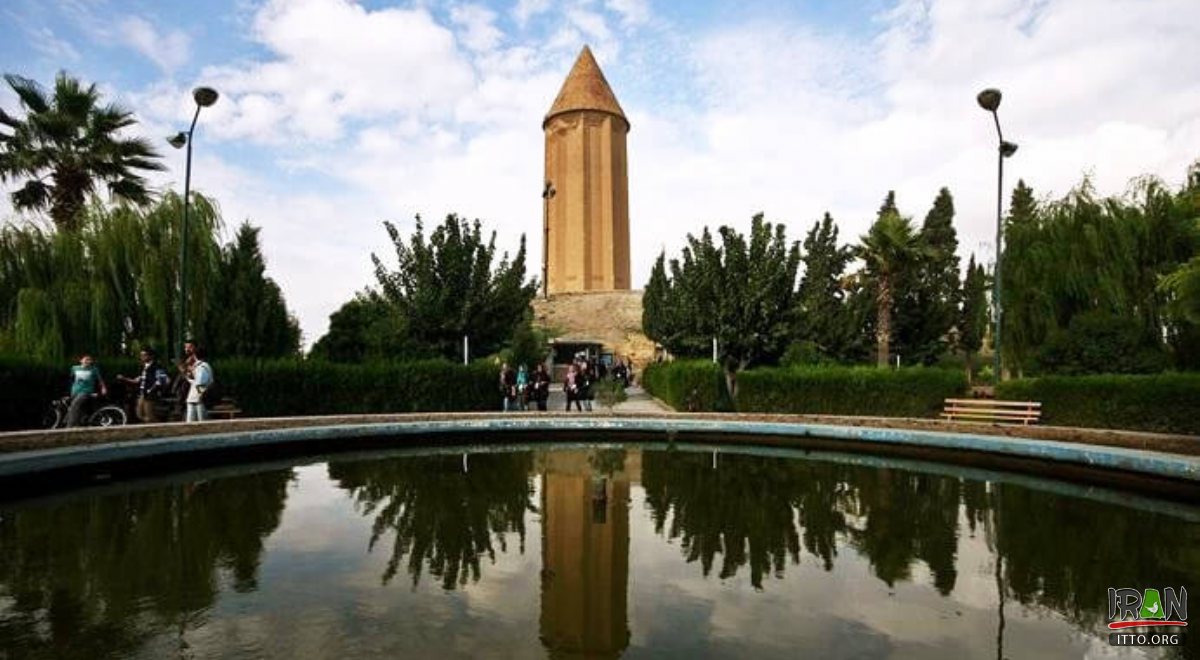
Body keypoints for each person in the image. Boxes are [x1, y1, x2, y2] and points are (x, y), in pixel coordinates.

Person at [119, 348, 169, 423]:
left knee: (149, 415)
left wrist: (152, 390)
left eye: (144, 355)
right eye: (141, 355)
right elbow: (138, 380)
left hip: (150, 394)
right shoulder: (144, 367)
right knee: (139, 414)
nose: (142, 357)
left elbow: (161, 380)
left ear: (151, 356)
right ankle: (153, 427)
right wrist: (124, 378)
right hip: (142, 393)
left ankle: (158, 428)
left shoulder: (156, 367)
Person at [66, 354, 107, 427]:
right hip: (75, 392)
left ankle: (70, 426)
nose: (88, 361)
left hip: (86, 391)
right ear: (81, 361)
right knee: (79, 410)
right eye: (86, 359)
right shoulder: (74, 368)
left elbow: (100, 380)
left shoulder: (94, 369)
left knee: (75, 406)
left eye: (90, 360)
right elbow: (71, 379)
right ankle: (78, 424)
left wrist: (103, 388)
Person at [186, 346, 214, 422]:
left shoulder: (202, 366)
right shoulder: (199, 366)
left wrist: (200, 396)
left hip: (199, 400)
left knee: (201, 425)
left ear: (195, 355)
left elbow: (200, 383)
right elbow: (196, 382)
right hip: (194, 399)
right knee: (192, 425)